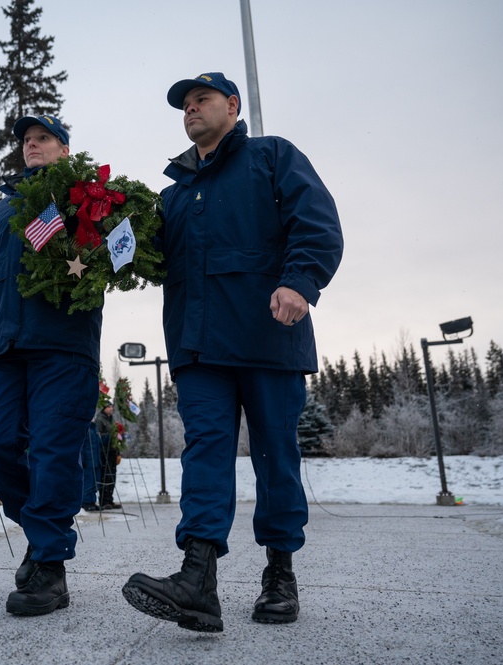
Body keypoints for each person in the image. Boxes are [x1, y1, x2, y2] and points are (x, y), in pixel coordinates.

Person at [121, 72, 343, 632]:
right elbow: (137, 259)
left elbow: (316, 223)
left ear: (232, 106)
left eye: (202, 100)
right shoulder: (171, 196)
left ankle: (280, 573)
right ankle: (198, 579)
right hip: (199, 349)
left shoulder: (272, 157)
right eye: (185, 105)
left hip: (268, 337)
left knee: (275, 456)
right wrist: (97, 230)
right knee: (206, 453)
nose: (191, 110)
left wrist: (300, 282)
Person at [0, 114, 102, 617]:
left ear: (65, 148)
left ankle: (50, 567)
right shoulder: (3, 211)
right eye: (26, 140)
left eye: (43, 138)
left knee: (51, 452)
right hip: (5, 348)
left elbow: (108, 257)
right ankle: (44, 533)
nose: (32, 145)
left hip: (63, 345)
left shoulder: (83, 196)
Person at [95, 403, 121, 510]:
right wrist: (109, 436)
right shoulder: (100, 420)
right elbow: (98, 436)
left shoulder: (111, 420)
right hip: (104, 451)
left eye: (111, 407)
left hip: (112, 451)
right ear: (104, 408)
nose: (111, 409)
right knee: (105, 476)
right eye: (108, 407)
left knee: (111, 475)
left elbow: (116, 436)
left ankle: (109, 498)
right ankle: (104, 500)